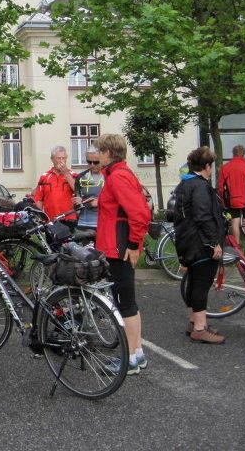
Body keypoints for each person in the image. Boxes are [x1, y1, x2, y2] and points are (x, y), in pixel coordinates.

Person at [95, 133, 152, 373]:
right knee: (128, 300)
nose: (96, 156)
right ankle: (137, 353)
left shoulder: (118, 177)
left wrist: (132, 244)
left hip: (119, 248)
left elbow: (139, 213)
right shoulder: (120, 174)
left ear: (108, 153)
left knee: (124, 302)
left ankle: (129, 360)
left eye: (99, 151)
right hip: (119, 245)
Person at [174, 147, 226, 344]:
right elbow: (203, 216)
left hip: (187, 240)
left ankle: (193, 321)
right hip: (201, 242)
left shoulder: (184, 184)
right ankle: (199, 328)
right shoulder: (201, 187)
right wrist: (214, 243)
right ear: (206, 166)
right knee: (201, 285)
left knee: (194, 281)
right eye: (210, 166)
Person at [217, 144, 245, 242]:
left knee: (235, 220)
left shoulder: (226, 167)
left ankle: (237, 246)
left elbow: (220, 187)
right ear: (243, 154)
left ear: (233, 153)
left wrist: (223, 200)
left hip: (232, 199)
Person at [33, 145, 79, 226]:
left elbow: (78, 191)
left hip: (69, 219)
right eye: (58, 158)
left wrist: (66, 174)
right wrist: (40, 218)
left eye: (64, 158)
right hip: (51, 220)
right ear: (52, 159)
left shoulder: (73, 175)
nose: (62, 161)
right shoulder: (44, 176)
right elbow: (39, 199)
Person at [75, 146, 104, 229]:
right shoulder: (80, 177)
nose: (92, 165)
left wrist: (100, 202)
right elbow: (76, 207)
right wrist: (78, 202)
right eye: (89, 162)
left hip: (104, 224)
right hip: (84, 224)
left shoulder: (110, 176)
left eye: (96, 162)